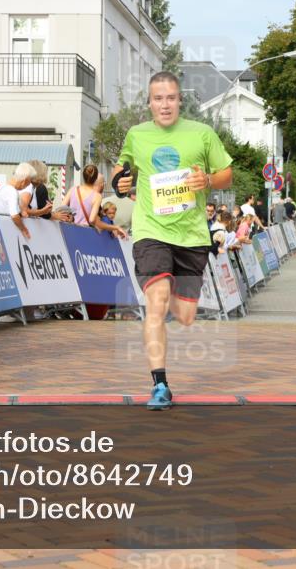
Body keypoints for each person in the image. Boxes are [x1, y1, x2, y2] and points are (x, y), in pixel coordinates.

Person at [112, 71, 233, 410]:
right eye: (157, 98)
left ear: (180, 100)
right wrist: (121, 181)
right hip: (151, 230)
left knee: (186, 315)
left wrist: (207, 178)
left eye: (170, 98)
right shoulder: (137, 135)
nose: (164, 104)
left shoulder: (202, 134)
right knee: (157, 300)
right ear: (149, 102)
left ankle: (179, 311)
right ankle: (160, 384)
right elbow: (120, 170)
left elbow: (226, 175)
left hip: (192, 235)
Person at [0, 162, 35, 239]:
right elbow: (14, 215)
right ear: (24, 181)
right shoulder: (12, 191)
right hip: (7, 231)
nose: (25, 187)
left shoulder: (6, 188)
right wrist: (23, 229)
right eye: (28, 184)